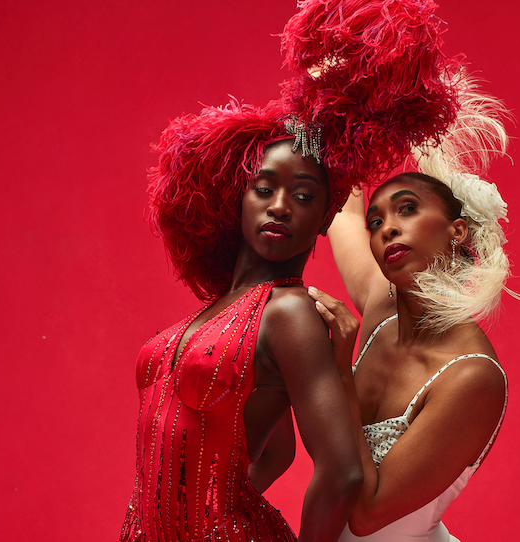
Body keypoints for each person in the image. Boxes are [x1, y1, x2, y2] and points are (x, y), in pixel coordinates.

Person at [120, 1, 466, 541]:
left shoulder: (288, 313)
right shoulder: (219, 312)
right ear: (238, 198)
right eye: (265, 189)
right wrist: (198, 513)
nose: (280, 206)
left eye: (303, 197)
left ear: (325, 218)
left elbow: (345, 472)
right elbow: (276, 447)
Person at [308, 82, 520, 541]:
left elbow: (366, 515)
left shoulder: (472, 377)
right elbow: (343, 213)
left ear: (457, 231)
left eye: (406, 210)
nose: (387, 228)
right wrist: (333, 98)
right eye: (378, 221)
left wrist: (339, 372)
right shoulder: (379, 305)